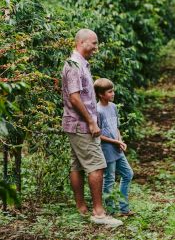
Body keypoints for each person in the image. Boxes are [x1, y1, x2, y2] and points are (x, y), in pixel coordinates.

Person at [61, 29, 122, 227]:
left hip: (76, 123)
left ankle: (81, 207)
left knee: (77, 164)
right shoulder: (74, 65)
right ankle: (99, 213)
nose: (96, 48)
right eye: (94, 43)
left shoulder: (79, 64)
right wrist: (91, 121)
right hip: (81, 124)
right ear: (82, 42)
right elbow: (75, 97)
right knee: (97, 165)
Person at [93, 77, 135, 217]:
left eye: (113, 91)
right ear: (101, 94)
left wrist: (120, 141)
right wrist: (115, 142)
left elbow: (116, 127)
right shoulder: (97, 111)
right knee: (109, 179)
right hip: (107, 150)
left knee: (128, 174)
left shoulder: (113, 107)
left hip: (117, 148)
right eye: (110, 92)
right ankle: (110, 210)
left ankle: (124, 208)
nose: (113, 94)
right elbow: (97, 134)